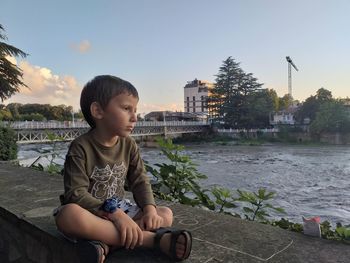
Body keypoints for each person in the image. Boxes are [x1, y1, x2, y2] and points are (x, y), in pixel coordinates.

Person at [53, 75, 192, 263]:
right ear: (98, 111)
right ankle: (153, 241)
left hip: (121, 211)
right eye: (127, 109)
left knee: (164, 214)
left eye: (135, 110)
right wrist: (115, 214)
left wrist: (149, 209)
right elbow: (75, 194)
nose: (134, 117)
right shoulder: (81, 147)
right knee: (68, 215)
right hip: (93, 213)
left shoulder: (129, 144)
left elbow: (140, 180)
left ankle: (106, 244)